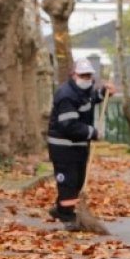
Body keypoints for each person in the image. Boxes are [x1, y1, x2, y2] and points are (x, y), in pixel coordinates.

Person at [46, 58, 113, 230]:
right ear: (73, 75)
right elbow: (69, 126)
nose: (86, 78)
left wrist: (104, 92)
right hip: (63, 147)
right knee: (68, 182)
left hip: (79, 146)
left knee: (78, 181)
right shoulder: (66, 95)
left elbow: (91, 99)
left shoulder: (84, 91)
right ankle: (67, 216)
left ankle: (61, 209)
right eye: (82, 75)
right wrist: (93, 133)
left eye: (89, 75)